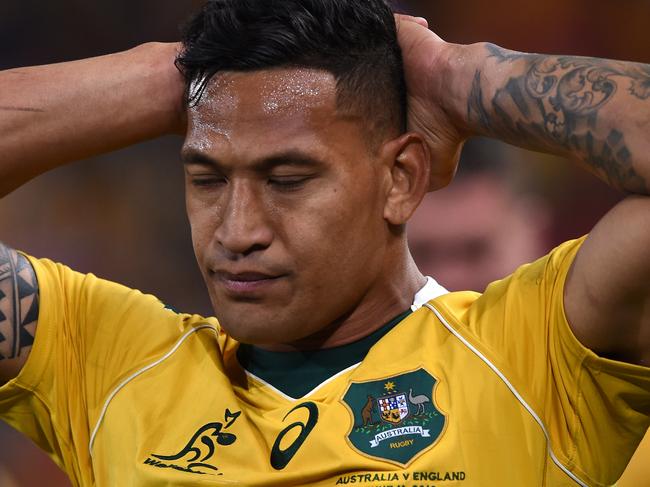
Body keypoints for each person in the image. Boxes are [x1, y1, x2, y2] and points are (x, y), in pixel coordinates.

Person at [0, 0, 648, 485]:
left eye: (286, 180)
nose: (237, 230)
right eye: (207, 178)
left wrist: (454, 73)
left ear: (401, 179)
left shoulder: (536, 353)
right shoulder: (106, 362)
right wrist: (173, 80)